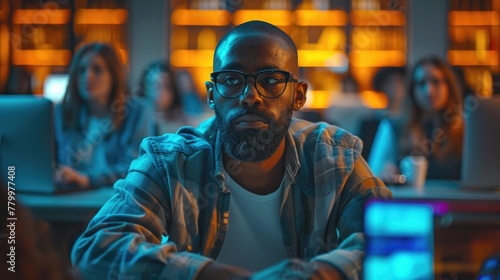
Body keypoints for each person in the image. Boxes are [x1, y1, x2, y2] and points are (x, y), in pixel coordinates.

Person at [71, 21, 391, 279]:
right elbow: (95, 248)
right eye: (232, 80)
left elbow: (396, 239)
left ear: (298, 95)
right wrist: (210, 275)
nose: (250, 96)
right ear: (212, 95)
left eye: (270, 80)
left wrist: (316, 274)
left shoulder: (335, 156)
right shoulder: (171, 161)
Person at [55, 43, 153, 189]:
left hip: (117, 197)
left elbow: (136, 168)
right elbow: (55, 163)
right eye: (81, 70)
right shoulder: (63, 112)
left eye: (97, 69)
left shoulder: (136, 111)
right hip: (71, 197)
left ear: (114, 75)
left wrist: (88, 179)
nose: (87, 76)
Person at [368, 55, 464, 182]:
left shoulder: (466, 127)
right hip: (411, 201)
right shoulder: (393, 126)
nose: (429, 90)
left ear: (449, 86)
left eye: (436, 82)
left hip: (459, 201)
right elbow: (372, 177)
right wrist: (385, 172)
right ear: (412, 90)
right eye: (421, 83)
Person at [137, 61, 191, 134]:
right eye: (152, 85)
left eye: (166, 86)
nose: (159, 93)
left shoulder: (184, 125)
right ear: (143, 87)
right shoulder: (133, 123)